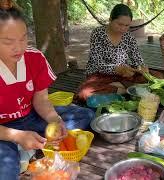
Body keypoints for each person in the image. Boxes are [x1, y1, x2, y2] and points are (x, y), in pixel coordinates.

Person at [0, 2, 95, 179]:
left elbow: (41, 100)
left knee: (85, 115)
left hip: (30, 117)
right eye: (8, 42)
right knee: (4, 171)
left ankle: (34, 143)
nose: (19, 47)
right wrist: (17, 136)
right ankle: (23, 147)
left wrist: (54, 120)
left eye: (23, 38)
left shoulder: (34, 57)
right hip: (3, 130)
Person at [77, 4, 163, 102]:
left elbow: (137, 60)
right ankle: (129, 90)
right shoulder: (98, 34)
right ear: (110, 20)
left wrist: (142, 68)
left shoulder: (129, 37)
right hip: (99, 75)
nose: (123, 28)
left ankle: (119, 89)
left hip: (123, 76)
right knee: (85, 93)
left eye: (127, 25)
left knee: (158, 76)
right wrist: (116, 69)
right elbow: (98, 64)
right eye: (119, 24)